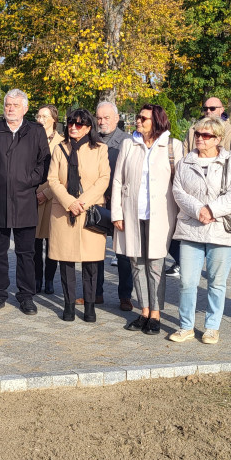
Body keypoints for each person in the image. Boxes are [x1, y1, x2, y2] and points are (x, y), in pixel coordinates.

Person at [169, 117, 231, 343]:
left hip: (220, 230)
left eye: (206, 135)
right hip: (191, 228)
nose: (200, 139)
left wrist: (211, 210)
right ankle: (186, 326)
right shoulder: (185, 162)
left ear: (218, 139)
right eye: (198, 134)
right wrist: (198, 210)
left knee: (216, 282)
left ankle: (212, 326)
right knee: (187, 282)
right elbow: (178, 192)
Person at [0, 89, 50, 315]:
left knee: (26, 253)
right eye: (8, 104)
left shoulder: (36, 132)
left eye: (16, 105)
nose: (10, 109)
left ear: (25, 109)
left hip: (25, 201)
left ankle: (26, 296)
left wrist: (27, 180)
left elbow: (45, 165)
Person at [112, 104, 184, 334]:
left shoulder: (173, 146)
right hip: (132, 213)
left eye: (144, 118)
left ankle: (156, 314)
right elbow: (117, 180)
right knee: (136, 263)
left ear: (157, 121)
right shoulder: (129, 143)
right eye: (138, 118)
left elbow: (180, 183)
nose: (138, 121)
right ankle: (143, 311)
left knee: (155, 265)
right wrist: (117, 213)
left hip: (161, 215)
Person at [46, 108, 110, 322]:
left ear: (89, 127)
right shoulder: (59, 149)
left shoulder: (100, 149)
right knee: (66, 261)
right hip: (64, 212)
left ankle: (90, 307)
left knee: (91, 264)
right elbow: (53, 179)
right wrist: (69, 202)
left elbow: (103, 179)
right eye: (71, 123)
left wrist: (81, 202)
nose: (73, 127)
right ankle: (69, 305)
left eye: (79, 124)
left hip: (89, 211)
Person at [93, 101, 133, 310]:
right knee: (96, 250)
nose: (102, 121)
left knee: (123, 254)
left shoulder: (127, 141)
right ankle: (95, 293)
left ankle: (125, 295)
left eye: (107, 117)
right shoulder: (90, 139)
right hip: (97, 202)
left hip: (120, 204)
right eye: (99, 118)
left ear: (117, 118)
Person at [33, 105, 65, 294]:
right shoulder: (30, 139)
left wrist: (47, 192)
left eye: (45, 116)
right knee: (35, 242)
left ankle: (49, 280)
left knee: (52, 241)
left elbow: (64, 174)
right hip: (33, 196)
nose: (40, 119)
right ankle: (36, 278)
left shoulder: (62, 142)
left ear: (54, 119)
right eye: (38, 116)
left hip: (53, 197)